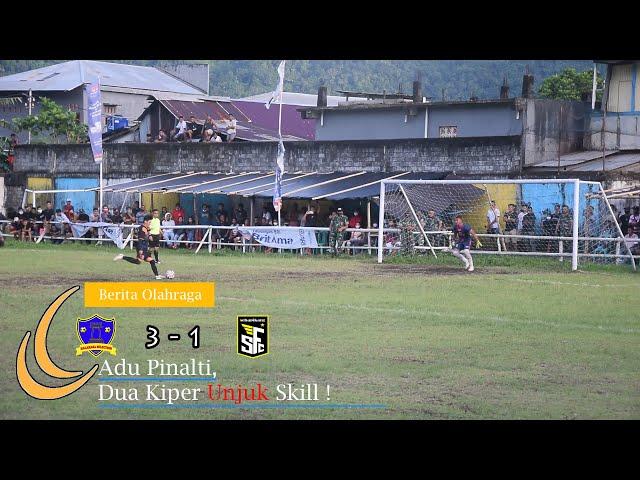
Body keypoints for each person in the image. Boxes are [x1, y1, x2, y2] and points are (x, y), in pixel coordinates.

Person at [113, 215, 164, 279]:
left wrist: (150, 235)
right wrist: (140, 250)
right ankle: (122, 256)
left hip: (145, 248)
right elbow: (140, 240)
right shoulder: (142, 229)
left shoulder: (146, 228)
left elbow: (148, 232)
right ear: (145, 221)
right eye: (149, 222)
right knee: (138, 261)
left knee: (152, 261)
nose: (150, 224)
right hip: (141, 248)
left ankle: (157, 276)